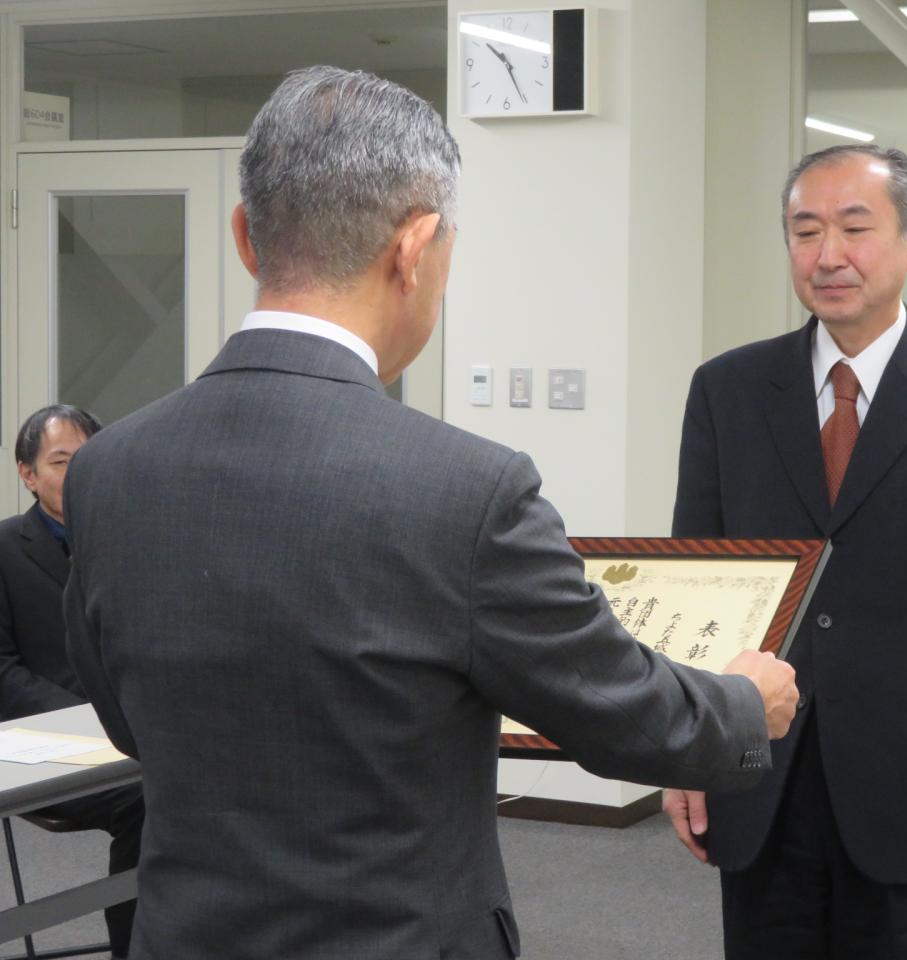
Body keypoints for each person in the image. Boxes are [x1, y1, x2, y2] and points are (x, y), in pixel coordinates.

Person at [60, 66, 796, 960]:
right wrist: (744, 702)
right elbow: (624, 712)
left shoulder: (109, 470)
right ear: (414, 248)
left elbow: (127, 716)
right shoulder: (466, 491)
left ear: (246, 238)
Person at [663, 144, 907, 959]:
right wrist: (682, 746)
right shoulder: (727, 390)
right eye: (805, 231)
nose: (828, 255)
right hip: (761, 772)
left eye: (854, 228)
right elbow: (694, 585)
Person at [0, 404, 142, 959]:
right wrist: (92, 721)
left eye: (90, 459)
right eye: (61, 461)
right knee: (150, 799)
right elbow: (3, 672)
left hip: (137, 731)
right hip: (47, 744)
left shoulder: (131, 544)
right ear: (27, 474)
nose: (78, 472)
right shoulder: (5, 548)